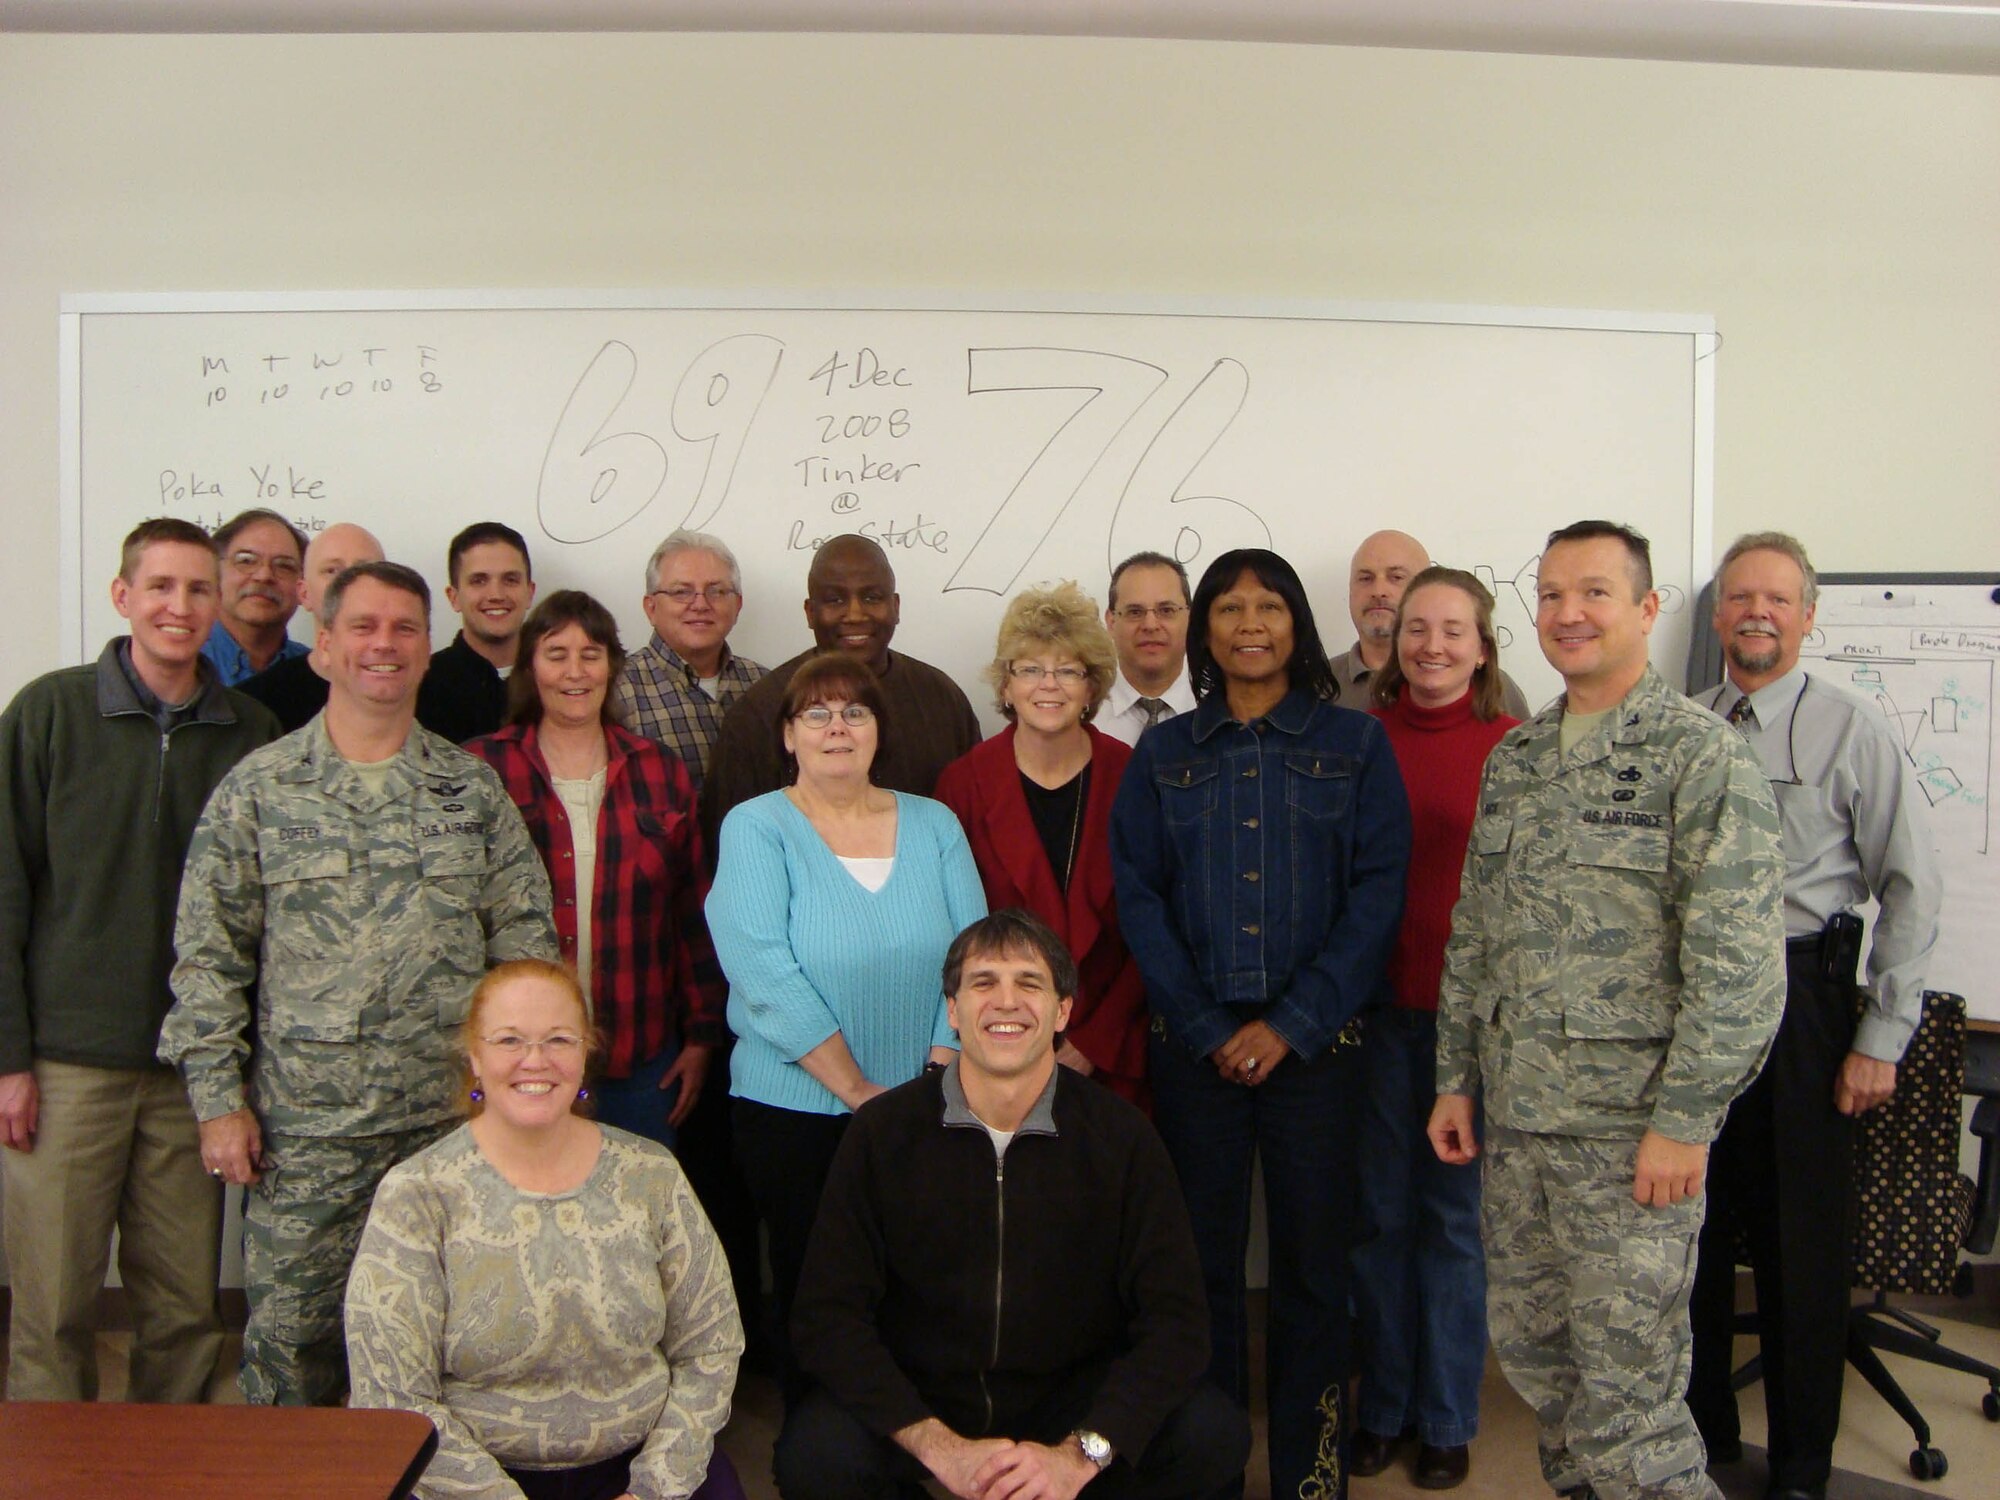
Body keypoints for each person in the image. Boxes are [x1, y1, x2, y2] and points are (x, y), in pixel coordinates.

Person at [1429, 520, 1786, 1500]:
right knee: (1549, 1379)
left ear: (1644, 609)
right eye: (1548, 595)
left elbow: (1739, 966)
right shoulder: (1517, 759)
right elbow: (1476, 932)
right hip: (1519, 1128)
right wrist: (1454, 1078)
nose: (1566, 614)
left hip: (1629, 1143)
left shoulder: (1696, 757)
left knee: (1631, 1411)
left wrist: (1684, 1120)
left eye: (1591, 592)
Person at [158, 559, 558, 1407]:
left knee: (449, 1340)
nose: (386, 645)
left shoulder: (469, 790)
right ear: (326, 647)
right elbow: (209, 956)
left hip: (450, 1124)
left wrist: (527, 1088)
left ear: (423, 648)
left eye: (404, 629)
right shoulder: (260, 790)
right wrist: (216, 1100)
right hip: (307, 1136)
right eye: (365, 628)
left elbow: (525, 952)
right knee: (294, 1350)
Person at [1111, 547, 1411, 1500]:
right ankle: (1207, 1474)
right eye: (1229, 607)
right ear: (1204, 630)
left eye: (1269, 607)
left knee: (1315, 1273)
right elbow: (1139, 898)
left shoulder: (1355, 746)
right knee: (1198, 1275)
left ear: (1296, 626)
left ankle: (1310, 1480)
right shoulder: (1166, 753)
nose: (1249, 623)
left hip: (1320, 1053)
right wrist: (1205, 1026)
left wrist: (1291, 1025)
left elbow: (1377, 897)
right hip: (1194, 1055)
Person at [779, 909, 1250, 1500]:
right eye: (983, 983)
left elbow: (1178, 1326)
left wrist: (1080, 1456)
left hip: (1070, 1403)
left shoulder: (1123, 1136)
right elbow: (827, 1319)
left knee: (1211, 1434)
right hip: (927, 1398)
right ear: (952, 1010)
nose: (1006, 1002)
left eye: (1029, 983)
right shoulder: (882, 1133)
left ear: (1063, 1011)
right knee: (814, 1455)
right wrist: (937, 1447)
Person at [1686, 532, 1942, 1500]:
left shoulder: (1850, 730)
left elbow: (1912, 888)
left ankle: (1797, 1466)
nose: (1755, 612)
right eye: (1738, 597)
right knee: (1689, 1232)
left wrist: (1878, 1037)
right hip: (1698, 1003)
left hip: (1803, 1005)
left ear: (1804, 617)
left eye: (1776, 599)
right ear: (1715, 618)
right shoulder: (1685, 725)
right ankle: (1702, 1438)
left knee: (1798, 1246)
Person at [1, 518, 279, 1402]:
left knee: (184, 1314)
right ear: (123, 597)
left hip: (189, 1075)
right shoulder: (48, 712)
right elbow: (3, 889)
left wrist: (236, 1073)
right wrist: (8, 1058)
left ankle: (174, 1479)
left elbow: (264, 918)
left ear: (219, 605)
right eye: (160, 586)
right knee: (53, 1310)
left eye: (199, 589)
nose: (180, 606)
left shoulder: (252, 733)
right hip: (64, 1066)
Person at [346, 959, 744, 1500]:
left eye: (559, 1039)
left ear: (586, 1051)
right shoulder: (417, 1193)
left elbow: (711, 1348)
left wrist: (655, 1488)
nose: (536, 1061)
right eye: (510, 1040)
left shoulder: (651, 1175)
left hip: (641, 1469)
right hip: (467, 1480)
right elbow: (392, 1394)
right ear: (475, 1055)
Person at [705, 651, 986, 1401]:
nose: (837, 727)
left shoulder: (934, 824)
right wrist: (858, 1090)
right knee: (818, 1291)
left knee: (917, 1285)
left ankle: (914, 1450)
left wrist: (932, 1078)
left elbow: (974, 958)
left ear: (878, 732)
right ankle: (823, 1453)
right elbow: (760, 968)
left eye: (855, 712)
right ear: (788, 737)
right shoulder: (757, 826)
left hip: (929, 1104)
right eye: (817, 714)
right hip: (796, 1111)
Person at [1348, 567, 1522, 1490]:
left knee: (1453, 1226)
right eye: (1418, 628)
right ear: (1393, 639)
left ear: (1484, 645)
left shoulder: (1518, 747)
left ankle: (1448, 1416)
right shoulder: (1361, 741)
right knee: (1377, 1219)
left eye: (1454, 630)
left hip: (1473, 1032)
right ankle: (1381, 1407)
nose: (1433, 647)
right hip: (1376, 1016)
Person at [466, 591, 728, 1151]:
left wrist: (702, 1037)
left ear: (613, 664)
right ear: (529, 667)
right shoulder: (482, 770)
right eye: (555, 653)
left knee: (632, 1224)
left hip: (639, 1058)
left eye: (591, 654)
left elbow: (694, 915)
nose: (574, 672)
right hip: (518, 1061)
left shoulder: (660, 772)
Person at [934, 582, 1148, 1107]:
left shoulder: (1135, 776)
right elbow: (951, 931)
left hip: (1113, 1048)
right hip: (997, 1048)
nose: (1047, 685)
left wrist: (1091, 1043)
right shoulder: (963, 784)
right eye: (1029, 669)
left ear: (1092, 687)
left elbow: (1156, 926)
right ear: (1005, 686)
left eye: (1068, 670)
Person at [703, 535, 979, 830]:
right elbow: (728, 843)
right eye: (835, 599)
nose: (856, 614)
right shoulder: (760, 712)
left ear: (896, 606)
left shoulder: (941, 699)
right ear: (810, 613)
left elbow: (975, 819)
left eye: (872, 597)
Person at [613, 528, 768, 807]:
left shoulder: (766, 686)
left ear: (738, 604)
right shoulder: (616, 692)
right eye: (682, 592)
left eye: (717, 591)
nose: (700, 605)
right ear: (651, 607)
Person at [1334, 530, 1532, 720]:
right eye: (1365, 578)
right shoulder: (1317, 684)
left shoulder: (1496, 689)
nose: (1378, 590)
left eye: (1396, 577)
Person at [240, 521, 385, 731]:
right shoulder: (254, 704)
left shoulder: (420, 691)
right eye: (332, 570)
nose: (349, 582)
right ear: (304, 593)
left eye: (365, 570)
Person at [416, 521, 537, 744]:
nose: (496, 594)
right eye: (479, 581)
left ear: (529, 593)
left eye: (510, 580)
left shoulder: (556, 680)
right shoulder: (420, 686)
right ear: (454, 597)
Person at [1095, 552, 1196, 747]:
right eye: (1135, 612)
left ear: (1191, 618)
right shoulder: (1079, 713)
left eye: (1166, 610)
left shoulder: (1223, 711)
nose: (1150, 625)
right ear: (1111, 621)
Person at [201, 506, 310, 685]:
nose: (264, 576)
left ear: (303, 588)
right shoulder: (183, 663)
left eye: (284, 566)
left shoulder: (317, 673)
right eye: (246, 561)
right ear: (214, 573)